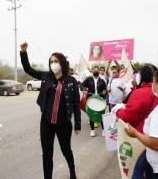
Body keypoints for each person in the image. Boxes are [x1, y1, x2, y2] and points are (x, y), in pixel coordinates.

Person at [20, 42, 81, 179]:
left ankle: (72, 169)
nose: (53, 63)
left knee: (66, 150)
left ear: (62, 63)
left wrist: (77, 124)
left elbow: (76, 104)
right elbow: (28, 69)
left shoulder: (71, 80)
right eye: (51, 61)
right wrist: (23, 53)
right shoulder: (46, 77)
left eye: (56, 61)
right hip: (46, 122)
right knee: (47, 154)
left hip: (63, 123)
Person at [115, 64, 158, 179]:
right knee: (151, 173)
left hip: (139, 141)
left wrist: (117, 111)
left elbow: (128, 117)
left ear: (141, 76)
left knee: (136, 173)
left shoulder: (139, 93)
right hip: (156, 140)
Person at [81, 66, 107, 137]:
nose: (95, 71)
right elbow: (82, 85)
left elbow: (105, 88)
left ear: (98, 71)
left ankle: (103, 130)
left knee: (101, 114)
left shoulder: (102, 81)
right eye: (94, 70)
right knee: (91, 115)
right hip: (91, 99)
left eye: (97, 70)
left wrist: (105, 91)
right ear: (92, 71)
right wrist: (84, 89)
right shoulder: (88, 80)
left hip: (100, 99)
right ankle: (92, 130)